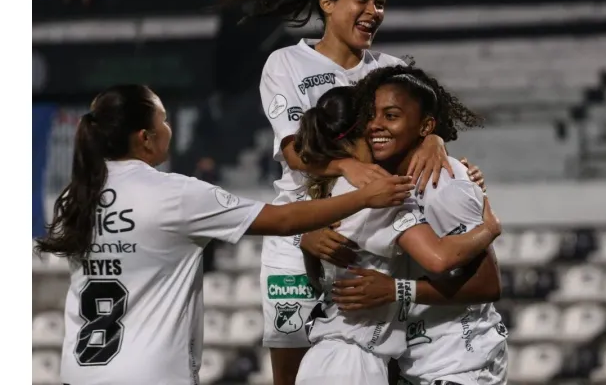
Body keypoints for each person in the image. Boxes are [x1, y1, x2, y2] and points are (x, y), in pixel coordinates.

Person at [204, 0, 485, 383]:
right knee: (294, 373)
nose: (374, 11)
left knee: (371, 363)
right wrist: (347, 170)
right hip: (299, 233)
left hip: (370, 241)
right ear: (327, 3)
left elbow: (426, 124)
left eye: (381, 3)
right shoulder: (286, 63)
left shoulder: (389, 70)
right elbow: (296, 151)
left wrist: (435, 142)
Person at [33, 85, 416, 385]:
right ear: (145, 138)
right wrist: (365, 196)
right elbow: (283, 221)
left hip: (79, 372)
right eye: (164, 120)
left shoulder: (75, 196)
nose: (170, 128)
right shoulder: (174, 193)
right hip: (150, 375)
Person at [291, 85, 502, 385]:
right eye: (373, 118)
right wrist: (489, 228)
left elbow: (318, 281)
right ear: (361, 130)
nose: (379, 126)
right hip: (353, 365)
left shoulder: (332, 190)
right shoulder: (375, 193)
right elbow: (440, 258)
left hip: (326, 359)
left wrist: (434, 142)